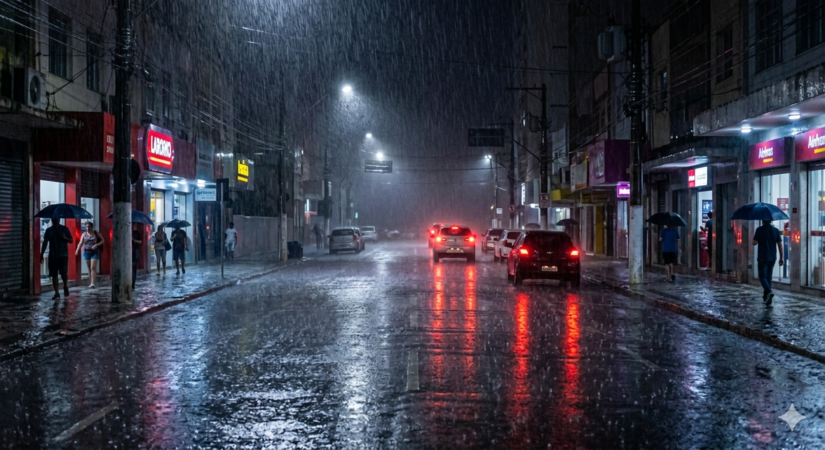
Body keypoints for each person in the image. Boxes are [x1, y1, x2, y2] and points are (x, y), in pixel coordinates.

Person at [40, 218, 73, 299]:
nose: (55, 220)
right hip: (53, 255)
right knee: (54, 274)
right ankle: (57, 292)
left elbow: (71, 240)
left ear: (59, 220)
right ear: (52, 220)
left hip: (63, 255)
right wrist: (41, 254)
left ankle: (65, 285)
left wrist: (65, 238)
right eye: (54, 219)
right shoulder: (49, 230)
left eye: (57, 219)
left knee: (63, 273)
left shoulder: (64, 229)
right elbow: (45, 242)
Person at [753, 220, 783, 305]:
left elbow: (754, 243)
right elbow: (780, 244)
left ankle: (769, 291)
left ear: (763, 221)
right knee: (768, 277)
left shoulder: (759, 229)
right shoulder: (776, 230)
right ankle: (767, 297)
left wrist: (757, 239)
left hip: (762, 257)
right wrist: (781, 257)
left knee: (762, 277)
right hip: (772, 257)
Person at [75, 221, 104, 288]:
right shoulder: (84, 234)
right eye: (86, 227)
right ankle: (91, 282)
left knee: (93, 267)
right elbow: (80, 243)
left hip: (95, 251)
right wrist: (77, 250)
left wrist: (96, 245)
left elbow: (103, 240)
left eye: (89, 227)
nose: (88, 228)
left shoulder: (96, 233)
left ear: (92, 227)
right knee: (89, 267)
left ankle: (93, 283)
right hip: (87, 251)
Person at [132, 224, 143, 290]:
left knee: (134, 268)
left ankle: (132, 284)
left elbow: (140, 241)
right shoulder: (129, 232)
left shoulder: (137, 233)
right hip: (130, 251)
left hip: (135, 251)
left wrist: (134, 240)